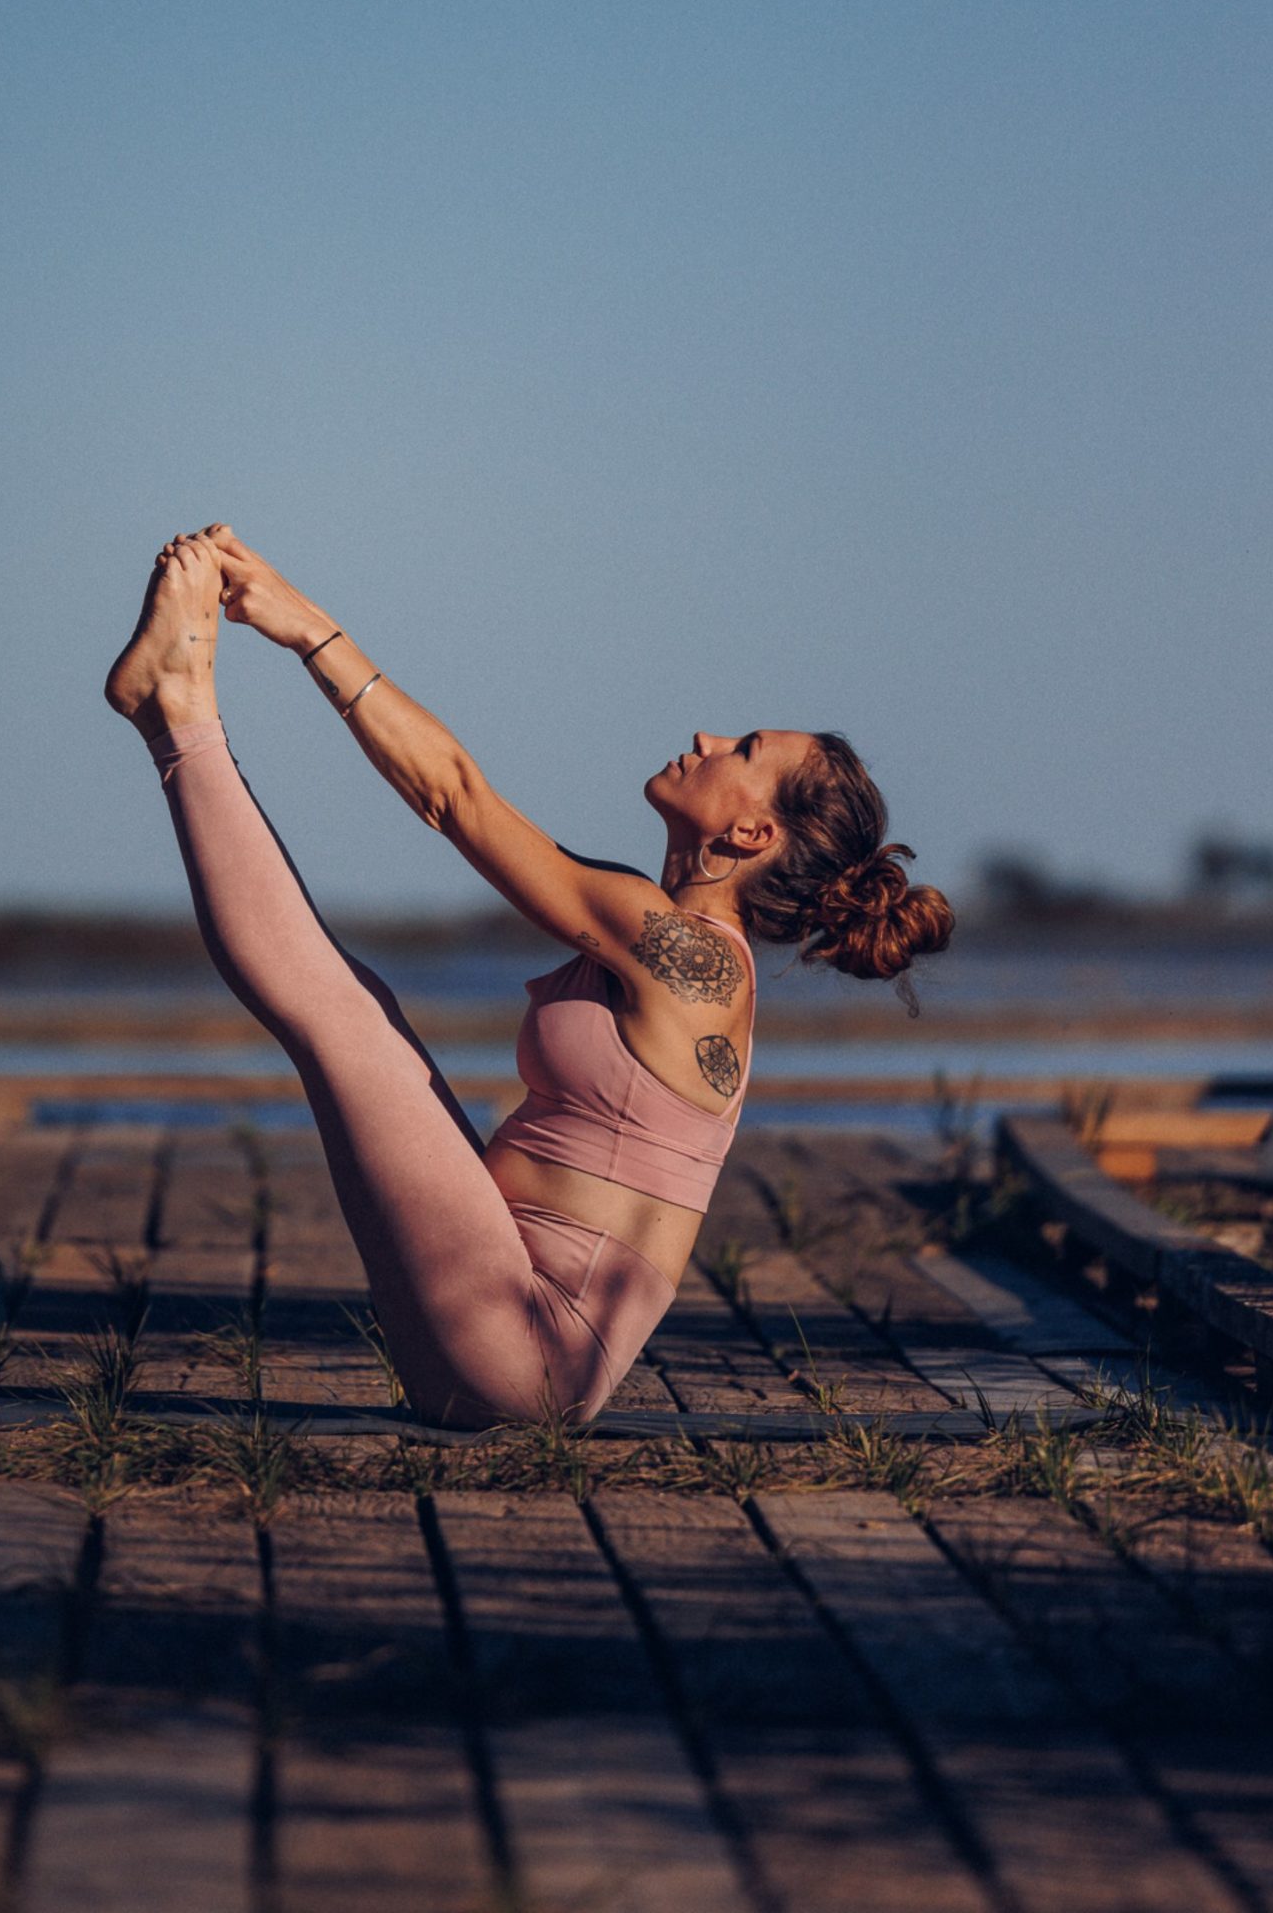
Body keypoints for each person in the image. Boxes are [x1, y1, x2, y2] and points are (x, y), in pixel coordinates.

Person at [106, 525, 953, 1429]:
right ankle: (172, 715)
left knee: (349, 1019)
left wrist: (303, 624)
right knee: (361, 1017)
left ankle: (179, 715)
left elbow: (455, 797)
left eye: (742, 749)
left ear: (751, 836)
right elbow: (465, 802)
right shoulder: (668, 937)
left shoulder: (693, 959)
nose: (706, 735)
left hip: (525, 1344)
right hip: (513, 1330)